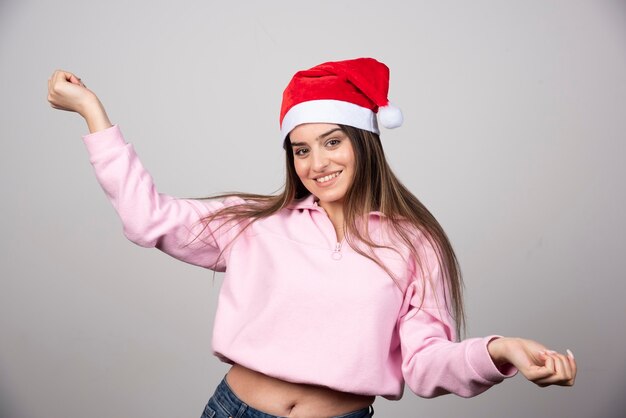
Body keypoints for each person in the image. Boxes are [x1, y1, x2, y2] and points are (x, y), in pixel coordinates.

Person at [47, 58, 576, 418]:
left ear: (364, 143)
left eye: (332, 142)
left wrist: (499, 352)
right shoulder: (258, 223)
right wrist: (94, 114)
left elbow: (424, 364)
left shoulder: (416, 245)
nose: (317, 163)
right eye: (301, 150)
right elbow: (148, 219)